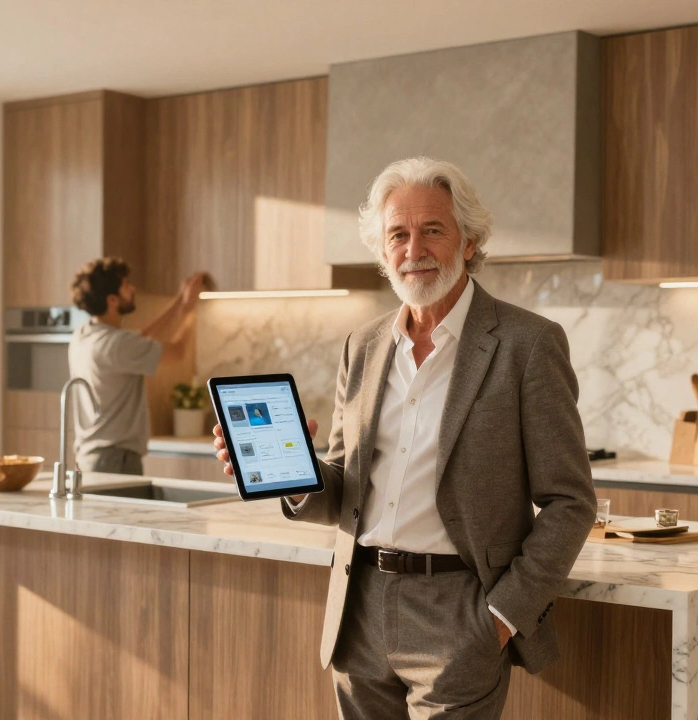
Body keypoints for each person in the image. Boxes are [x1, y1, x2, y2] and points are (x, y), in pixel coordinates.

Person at [213, 158, 595, 718]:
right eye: (398, 234)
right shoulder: (362, 345)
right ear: (383, 250)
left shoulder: (527, 344)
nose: (413, 248)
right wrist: (286, 470)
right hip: (358, 605)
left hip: (458, 611)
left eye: (432, 229)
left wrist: (500, 619)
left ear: (469, 242)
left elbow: (569, 501)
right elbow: (344, 490)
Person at [68, 258, 204, 474]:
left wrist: (179, 301)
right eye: (126, 285)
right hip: (115, 460)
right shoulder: (117, 345)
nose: (132, 289)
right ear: (112, 300)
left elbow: (144, 336)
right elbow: (177, 351)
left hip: (91, 457)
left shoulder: (85, 335)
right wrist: (190, 310)